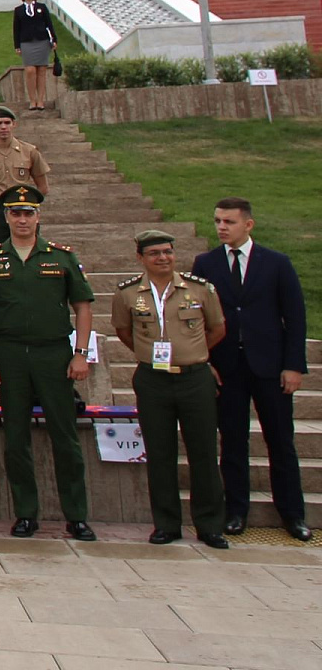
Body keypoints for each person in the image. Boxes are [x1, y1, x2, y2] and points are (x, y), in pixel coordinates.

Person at [0, 185, 97, 540]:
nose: (22, 219)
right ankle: (26, 513)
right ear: (6, 217)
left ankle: (76, 514)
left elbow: (83, 306)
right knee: (15, 439)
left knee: (65, 436)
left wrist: (80, 353)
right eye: (15, 213)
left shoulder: (61, 258)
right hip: (10, 354)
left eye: (28, 213)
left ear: (38, 217)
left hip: (54, 353)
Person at [195, 198, 310, 541]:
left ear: (248, 225)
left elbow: (295, 317)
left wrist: (293, 366)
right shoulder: (206, 263)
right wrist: (206, 361)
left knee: (280, 441)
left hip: (270, 367)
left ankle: (292, 514)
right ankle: (235, 512)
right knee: (232, 441)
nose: (221, 227)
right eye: (217, 221)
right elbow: (196, 317)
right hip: (227, 367)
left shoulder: (276, 263)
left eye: (228, 221)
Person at [113, 229, 229, 547]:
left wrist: (194, 353)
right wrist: (148, 354)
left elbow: (218, 327)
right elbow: (124, 330)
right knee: (160, 453)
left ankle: (209, 524)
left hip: (195, 378)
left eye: (168, 251)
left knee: (203, 452)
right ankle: (166, 523)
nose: (163, 258)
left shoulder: (199, 289)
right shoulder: (127, 294)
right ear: (140, 257)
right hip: (153, 379)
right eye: (155, 253)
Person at [0, 108, 50, 249]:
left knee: (28, 249)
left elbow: (43, 186)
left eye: (7, 122)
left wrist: (28, 203)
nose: (3, 127)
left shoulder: (29, 151)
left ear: (14, 124)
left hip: (23, 207)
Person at [13, 0, 57, 112]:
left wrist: (54, 39)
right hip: (26, 42)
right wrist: (17, 45)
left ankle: (40, 101)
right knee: (30, 70)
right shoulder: (19, 10)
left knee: (42, 71)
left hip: (42, 41)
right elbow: (16, 29)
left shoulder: (41, 8)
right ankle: (32, 100)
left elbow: (49, 24)